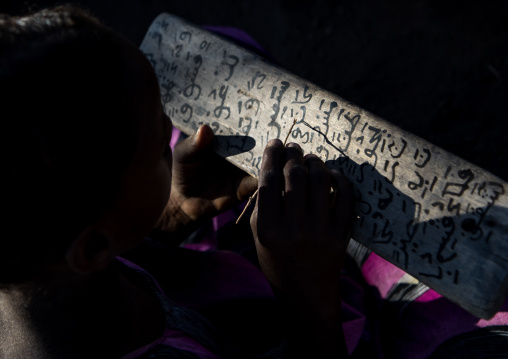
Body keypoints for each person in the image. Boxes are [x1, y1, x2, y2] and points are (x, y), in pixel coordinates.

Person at [0, 5, 354, 358]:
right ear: (93, 247)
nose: (171, 129)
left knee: (226, 44)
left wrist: (173, 214)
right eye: (157, 149)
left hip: (183, 277)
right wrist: (308, 300)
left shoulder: (44, 256)